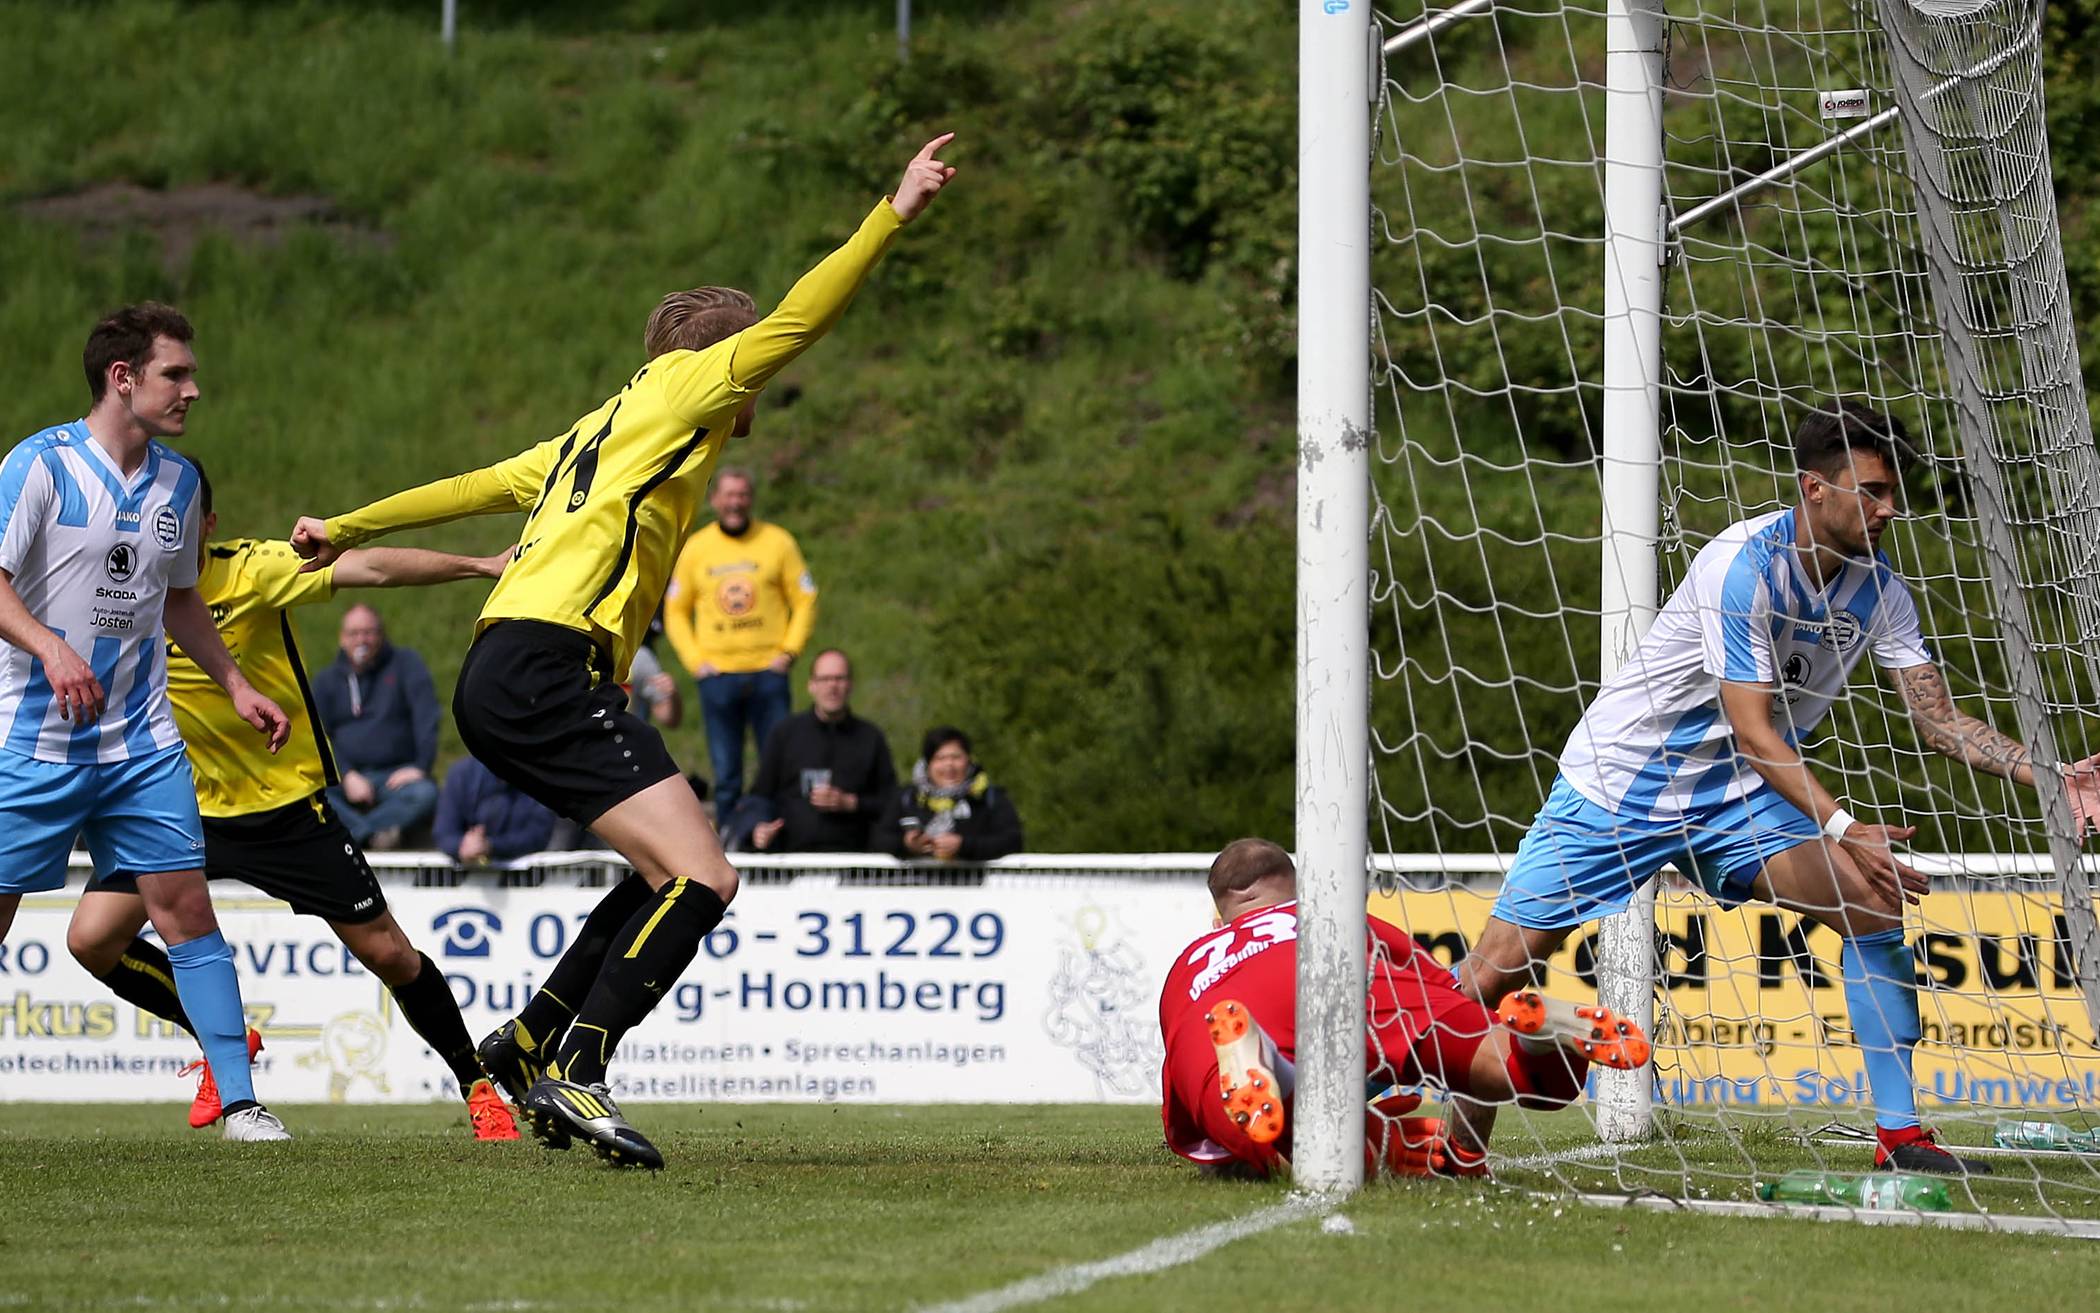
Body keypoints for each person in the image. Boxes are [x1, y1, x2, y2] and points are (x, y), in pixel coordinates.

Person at [288, 135, 959, 1168]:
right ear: (721, 360)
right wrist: (893, 212)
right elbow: (801, 317)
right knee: (706, 877)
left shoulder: (594, 430)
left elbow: (471, 485)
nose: (756, 392)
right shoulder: (689, 388)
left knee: (661, 873)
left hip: (507, 671)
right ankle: (580, 1063)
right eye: (751, 371)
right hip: (547, 666)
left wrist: (347, 523)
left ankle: (529, 1039)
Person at [1459, 401, 2100, 1176]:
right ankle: (1455, 1148)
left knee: (1871, 902)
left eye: (1892, 492)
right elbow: (1757, 732)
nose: (1889, 509)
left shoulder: (1881, 592)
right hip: (1624, 780)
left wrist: (2049, 774)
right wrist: (1845, 828)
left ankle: (1900, 1136)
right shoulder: (1742, 567)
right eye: (1871, 491)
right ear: (1814, 489)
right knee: (1493, 972)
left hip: (1735, 794)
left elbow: (1937, 719)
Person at [66, 462, 520, 1140]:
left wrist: (481, 565)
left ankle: (478, 1085)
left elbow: (371, 569)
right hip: (179, 806)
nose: (166, 530)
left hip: (283, 808)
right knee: (91, 938)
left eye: (181, 518)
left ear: (207, 523)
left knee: (390, 954)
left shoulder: (251, 570)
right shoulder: (119, 585)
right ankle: (223, 1041)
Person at [0, 303, 293, 1142]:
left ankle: (241, 1102)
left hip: (141, 744)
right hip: (32, 740)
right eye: (176, 373)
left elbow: (179, 598)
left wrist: (235, 683)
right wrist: (50, 647)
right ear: (122, 377)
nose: (192, 389)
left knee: (187, 913)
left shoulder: (180, 483)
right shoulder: (40, 465)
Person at [1159, 839, 1647, 1179]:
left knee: (1279, 1145)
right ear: (1299, 891)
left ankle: (1271, 1066)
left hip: (1228, 1007)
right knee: (1512, 1069)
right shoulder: (1336, 919)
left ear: (1220, 917)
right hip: (1348, 970)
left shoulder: (1189, 963)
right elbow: (1447, 991)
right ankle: (1538, 1040)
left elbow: (1186, 1103)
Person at [662, 467, 817, 821]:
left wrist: (789, 651)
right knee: (726, 772)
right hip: (718, 677)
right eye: (729, 495)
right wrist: (695, 662)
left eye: (743, 495)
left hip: (769, 673)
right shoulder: (696, 547)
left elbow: (805, 598)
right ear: (715, 499)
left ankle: (777, 835)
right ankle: (730, 841)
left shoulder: (778, 542)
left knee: (778, 767)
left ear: (751, 499)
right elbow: (675, 610)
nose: (736, 502)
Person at [742, 648, 897, 854]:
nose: (832, 686)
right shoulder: (785, 734)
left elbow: (892, 802)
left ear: (850, 685)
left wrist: (851, 803)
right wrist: (758, 828)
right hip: (790, 858)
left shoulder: (870, 737)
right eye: (824, 679)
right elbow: (760, 796)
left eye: (839, 678)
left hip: (855, 859)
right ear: (811, 686)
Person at [310, 603, 440, 848]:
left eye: (369, 632)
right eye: (354, 633)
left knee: (424, 794)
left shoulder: (406, 665)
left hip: (394, 776)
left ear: (381, 635)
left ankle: (354, 833)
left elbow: (427, 718)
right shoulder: (327, 681)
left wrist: (420, 767)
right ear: (342, 638)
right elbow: (317, 734)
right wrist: (347, 774)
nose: (362, 640)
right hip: (343, 779)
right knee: (309, 793)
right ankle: (371, 835)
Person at [876, 726, 1023, 861]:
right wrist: (906, 845)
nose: (949, 765)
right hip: (914, 881)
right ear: (928, 764)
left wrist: (963, 845)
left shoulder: (988, 797)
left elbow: (1013, 841)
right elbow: (878, 840)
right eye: (940, 758)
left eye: (956, 757)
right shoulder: (907, 797)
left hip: (975, 882)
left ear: (968, 760)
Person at [436, 754, 560, 865]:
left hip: (529, 875)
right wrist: (465, 845)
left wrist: (490, 846)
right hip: (464, 872)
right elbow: (444, 833)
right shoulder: (462, 773)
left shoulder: (539, 775)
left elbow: (538, 835)